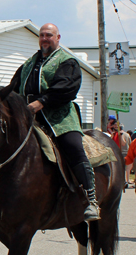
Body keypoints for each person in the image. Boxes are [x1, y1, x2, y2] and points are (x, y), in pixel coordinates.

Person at [10, 23, 99, 221]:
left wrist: (39, 103)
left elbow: (66, 88)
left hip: (59, 118)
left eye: (49, 35)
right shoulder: (28, 64)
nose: (44, 38)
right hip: (29, 117)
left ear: (58, 37)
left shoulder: (67, 61)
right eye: (41, 35)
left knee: (73, 147)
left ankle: (91, 200)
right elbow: (13, 87)